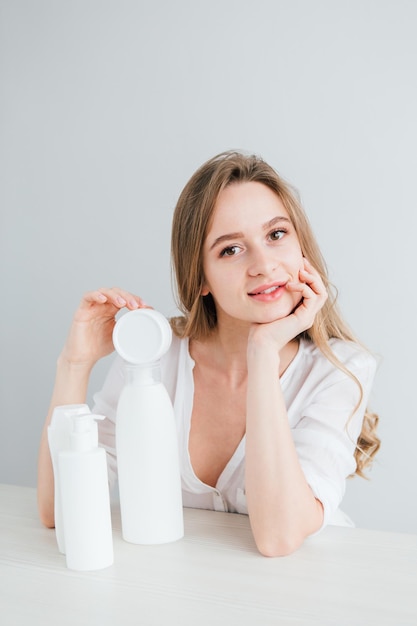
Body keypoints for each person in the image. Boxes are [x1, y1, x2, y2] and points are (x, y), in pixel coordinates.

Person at [37, 150, 380, 557]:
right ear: (200, 278)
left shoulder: (340, 370)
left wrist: (263, 352)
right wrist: (74, 364)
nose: (264, 265)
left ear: (301, 246)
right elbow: (57, 512)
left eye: (276, 235)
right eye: (231, 250)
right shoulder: (154, 360)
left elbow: (278, 537)